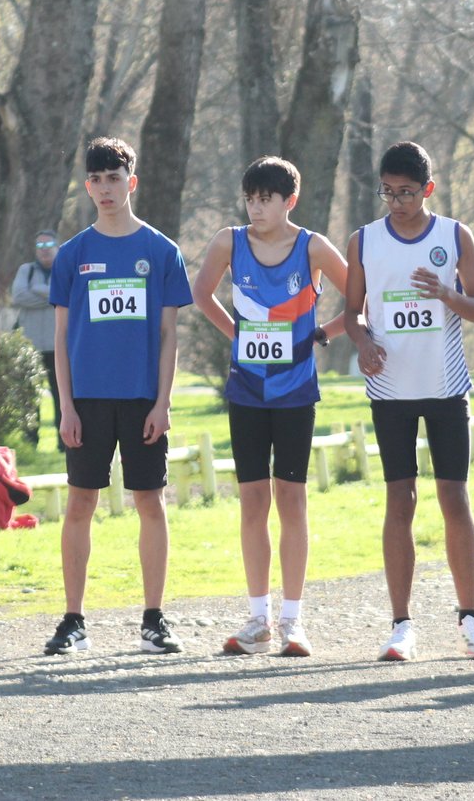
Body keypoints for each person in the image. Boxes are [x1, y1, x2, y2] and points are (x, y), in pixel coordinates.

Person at [343, 141, 474, 662]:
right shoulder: (363, 240)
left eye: (406, 193)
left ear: (428, 189)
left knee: (454, 498)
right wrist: (364, 342)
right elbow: (352, 313)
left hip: (445, 386)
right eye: (387, 192)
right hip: (391, 390)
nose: (396, 202)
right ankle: (401, 625)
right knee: (399, 500)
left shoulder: (454, 235)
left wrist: (447, 295)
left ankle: (471, 619)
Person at [191, 157, 348, 657]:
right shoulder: (228, 241)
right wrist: (238, 334)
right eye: (251, 198)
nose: (256, 208)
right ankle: (258, 618)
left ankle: (293, 621)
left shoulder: (314, 247)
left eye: (267, 199)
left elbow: (359, 298)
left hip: (296, 391)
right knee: (253, 502)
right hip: (247, 391)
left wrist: (323, 333)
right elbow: (201, 294)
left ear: (289, 201)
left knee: (292, 501)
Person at [44, 137, 192, 656]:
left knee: (149, 501)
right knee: (80, 502)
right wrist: (66, 406)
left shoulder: (161, 250)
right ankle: (73, 621)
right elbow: (61, 339)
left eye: (115, 178)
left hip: (142, 398)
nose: (106, 188)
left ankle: (154, 619)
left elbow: (170, 335)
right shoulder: (72, 255)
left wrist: (162, 402)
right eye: (97, 179)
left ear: (131, 182)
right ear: (87, 187)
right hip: (86, 401)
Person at [12, 228, 62, 448]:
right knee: (30, 396)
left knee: (62, 397)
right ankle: (30, 441)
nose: (44, 251)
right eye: (40, 246)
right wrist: (53, 296)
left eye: (48, 245)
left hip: (58, 346)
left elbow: (70, 294)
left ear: (57, 247)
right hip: (30, 347)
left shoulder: (64, 269)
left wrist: (39, 290)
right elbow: (19, 296)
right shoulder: (27, 270)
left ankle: (65, 443)